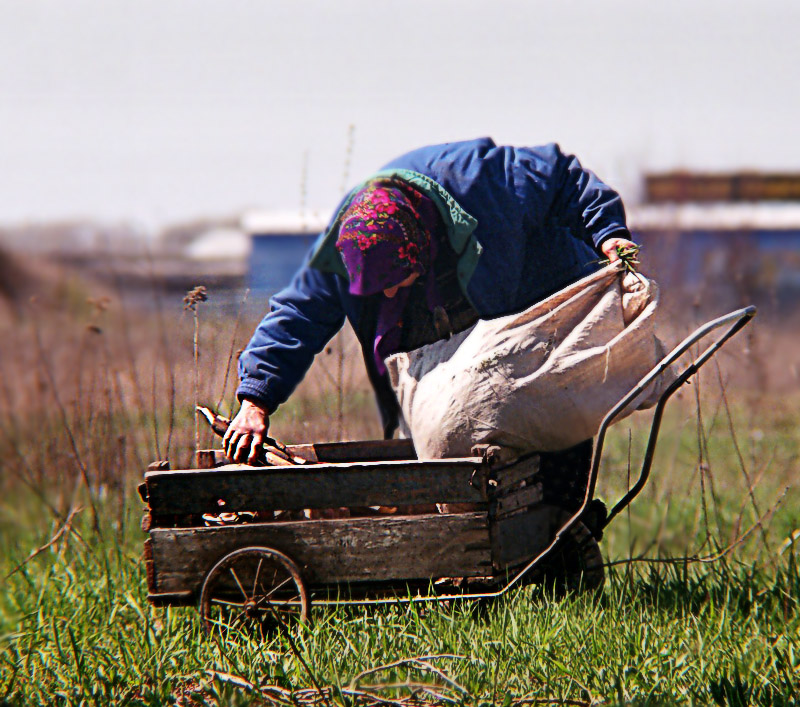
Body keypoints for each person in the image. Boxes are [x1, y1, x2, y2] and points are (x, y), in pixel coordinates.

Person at [223, 137, 637, 463]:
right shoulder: (348, 244)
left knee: (549, 434)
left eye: (393, 280)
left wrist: (608, 232)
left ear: (418, 246)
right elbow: (298, 313)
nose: (386, 293)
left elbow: (566, 178)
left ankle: (561, 540)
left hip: (533, 306)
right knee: (441, 431)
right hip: (446, 326)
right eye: (376, 287)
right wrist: (255, 399)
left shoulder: (484, 180)